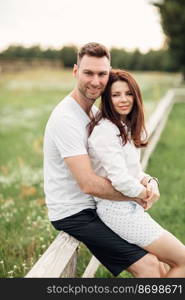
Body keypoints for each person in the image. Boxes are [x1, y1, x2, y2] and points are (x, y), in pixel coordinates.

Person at [43, 42, 167, 277]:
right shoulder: (65, 118)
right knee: (150, 268)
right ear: (75, 71)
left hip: (99, 205)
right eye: (88, 72)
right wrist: (140, 194)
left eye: (102, 74)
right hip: (75, 213)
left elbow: (120, 165)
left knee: (161, 265)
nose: (96, 81)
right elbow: (88, 184)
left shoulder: (96, 113)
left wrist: (150, 181)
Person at [88, 69, 185, 277]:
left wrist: (150, 181)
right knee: (182, 261)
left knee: (161, 268)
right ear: (107, 99)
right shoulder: (105, 131)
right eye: (116, 95)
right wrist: (145, 194)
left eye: (128, 93)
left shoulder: (122, 126)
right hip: (118, 212)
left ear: (135, 95)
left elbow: (134, 171)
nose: (123, 99)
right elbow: (121, 180)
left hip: (129, 208)